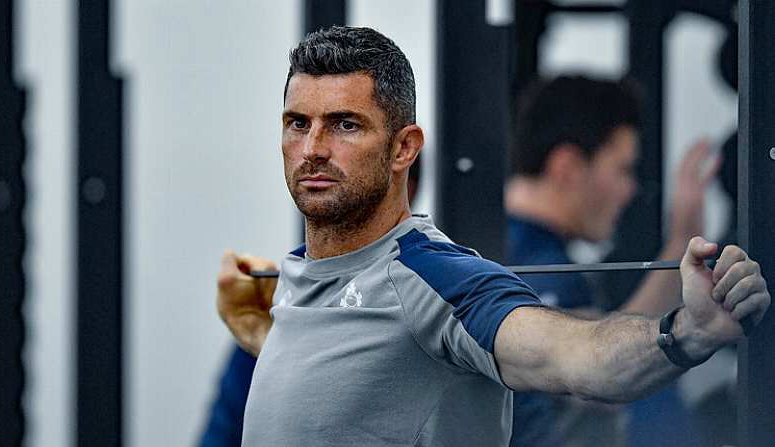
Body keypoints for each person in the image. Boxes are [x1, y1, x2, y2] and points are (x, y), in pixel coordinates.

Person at [216, 26, 770, 447]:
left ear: (405, 148)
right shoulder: (293, 278)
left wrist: (687, 332)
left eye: (344, 124)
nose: (312, 147)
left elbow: (577, 358)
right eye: (297, 123)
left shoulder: (436, 276)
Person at [505, 75, 721, 446]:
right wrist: (684, 240)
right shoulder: (541, 269)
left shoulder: (503, 243)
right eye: (622, 169)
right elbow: (602, 369)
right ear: (567, 167)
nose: (631, 189)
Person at [198, 156, 422, 447]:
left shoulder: (430, 309)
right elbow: (224, 435)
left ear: (405, 185)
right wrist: (269, 345)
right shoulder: (280, 311)